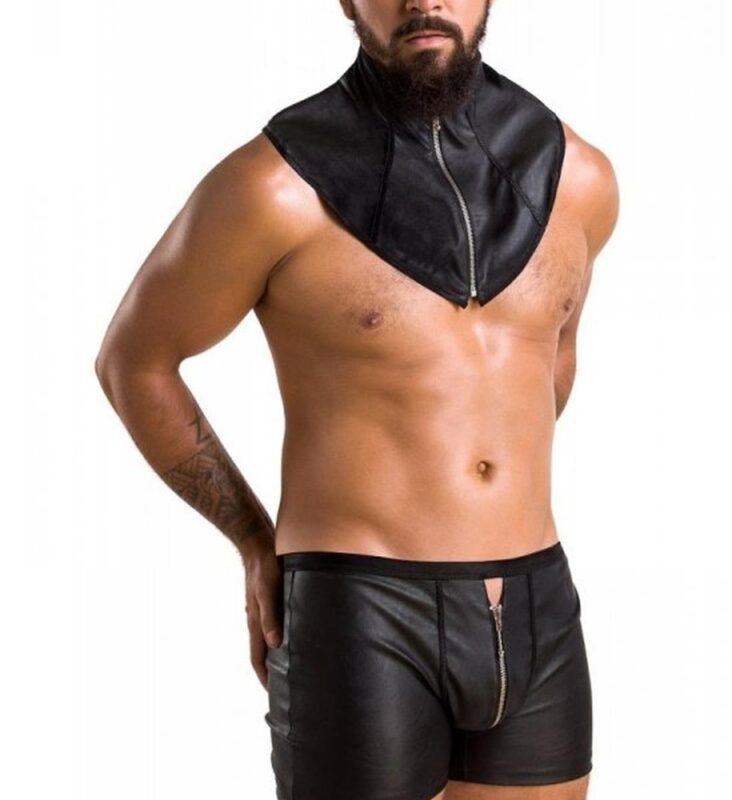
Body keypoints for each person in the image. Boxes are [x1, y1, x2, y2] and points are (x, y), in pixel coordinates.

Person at [95, 1, 619, 798]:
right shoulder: (275, 187)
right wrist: (253, 540)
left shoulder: (578, 179)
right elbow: (135, 361)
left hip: (536, 603)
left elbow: (552, 359)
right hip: (363, 607)